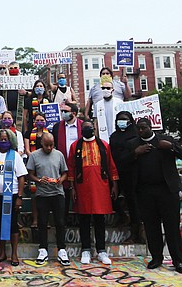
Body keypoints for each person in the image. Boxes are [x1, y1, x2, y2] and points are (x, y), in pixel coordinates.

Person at [129, 118, 182, 273]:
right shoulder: (134, 144)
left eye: (143, 128)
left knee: (171, 226)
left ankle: (178, 260)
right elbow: (123, 162)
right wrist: (135, 153)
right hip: (145, 191)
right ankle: (156, 258)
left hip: (167, 190)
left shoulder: (165, 140)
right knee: (151, 227)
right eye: (138, 128)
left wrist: (171, 147)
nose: (140, 131)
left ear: (150, 127)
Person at [67, 120, 119, 265]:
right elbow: (71, 167)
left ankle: (101, 250)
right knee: (83, 218)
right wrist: (72, 188)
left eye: (90, 128)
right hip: (82, 186)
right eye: (85, 128)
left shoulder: (104, 145)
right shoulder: (75, 146)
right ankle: (85, 250)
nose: (88, 130)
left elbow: (111, 165)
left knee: (99, 218)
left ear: (94, 128)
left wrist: (114, 185)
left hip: (100, 186)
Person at [0, 129, 27, 266]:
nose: (3, 141)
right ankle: (2, 252)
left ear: (11, 141)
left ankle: (14, 254)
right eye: (1, 139)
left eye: (6, 139)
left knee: (13, 225)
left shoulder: (15, 156)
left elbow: (21, 178)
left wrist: (20, 197)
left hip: (12, 196)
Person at [26, 133, 70, 266]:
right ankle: (43, 249)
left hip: (57, 192)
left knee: (60, 221)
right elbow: (29, 174)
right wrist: (39, 180)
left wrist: (60, 181)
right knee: (42, 222)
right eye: (46, 145)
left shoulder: (59, 155)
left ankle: (62, 249)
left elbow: (65, 173)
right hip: (42, 194)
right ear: (41, 144)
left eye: (52, 145)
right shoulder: (34, 156)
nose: (49, 148)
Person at [108, 111, 141, 241]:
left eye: (124, 119)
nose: (121, 122)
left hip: (132, 173)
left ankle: (135, 231)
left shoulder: (135, 135)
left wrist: (132, 154)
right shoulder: (114, 136)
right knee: (112, 196)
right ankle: (121, 216)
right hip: (116, 172)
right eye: (119, 119)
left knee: (132, 202)